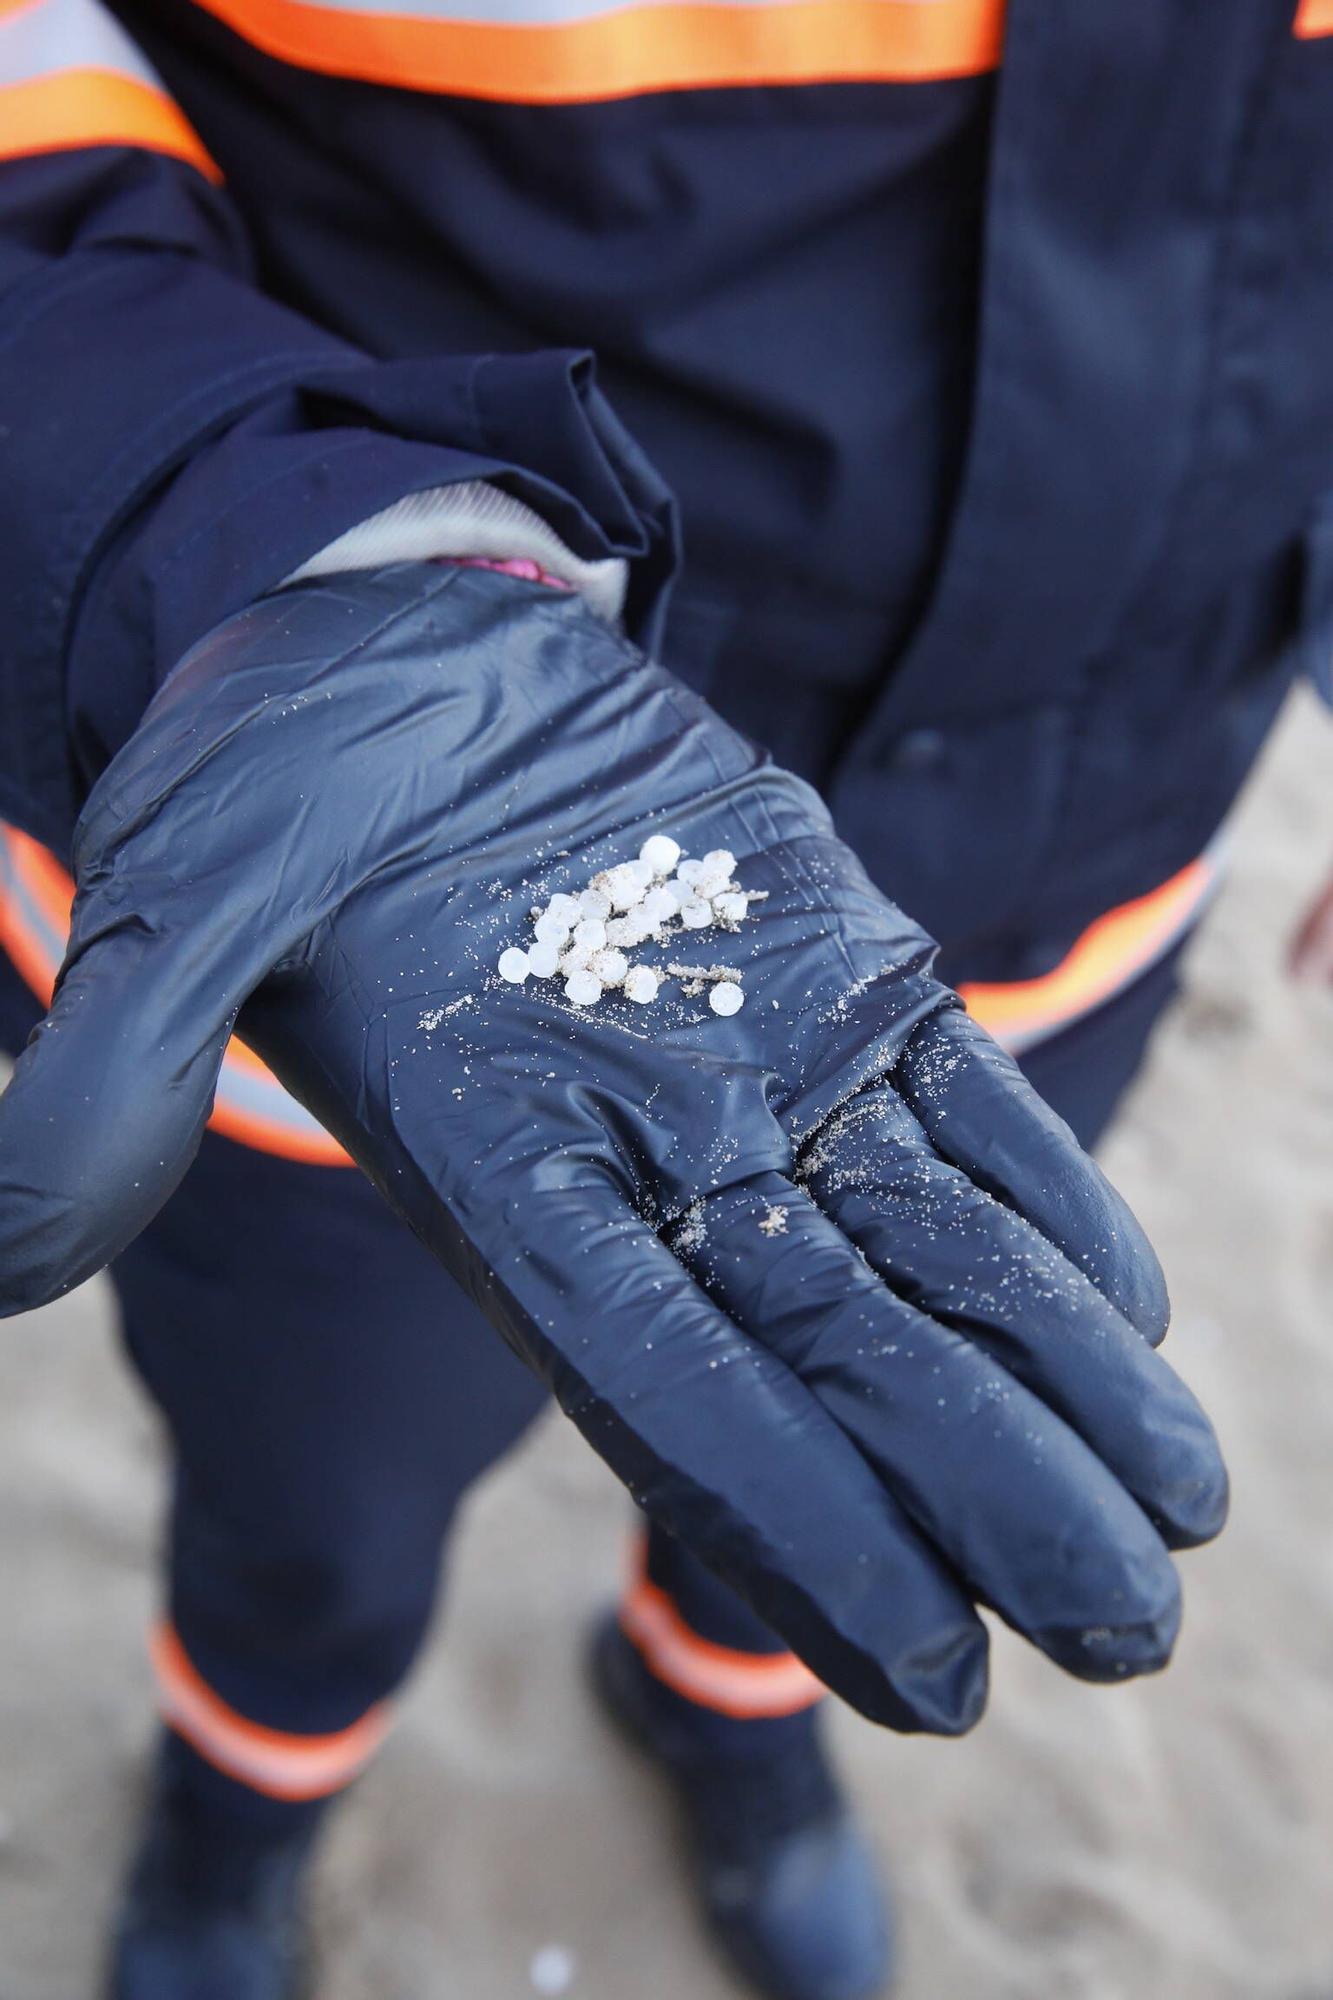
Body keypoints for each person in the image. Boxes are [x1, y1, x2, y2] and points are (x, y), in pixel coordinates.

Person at [0, 3, 1326, 1996]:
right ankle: (246, 1789)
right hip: (359, 864)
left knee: (865, 1398)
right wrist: (268, 532)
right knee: (313, 1505)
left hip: (1079, 850)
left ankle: (726, 1699)